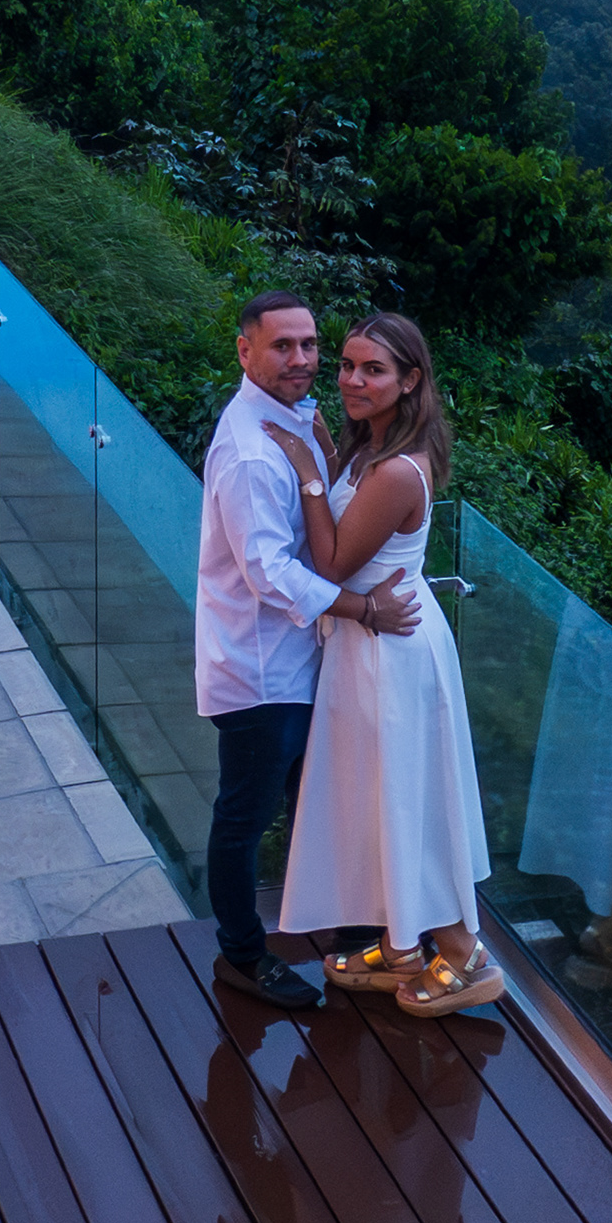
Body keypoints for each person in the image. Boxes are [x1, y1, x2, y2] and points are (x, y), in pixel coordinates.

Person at [266, 313, 505, 1016]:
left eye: (373, 370)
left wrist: (310, 476)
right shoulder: (372, 449)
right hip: (371, 644)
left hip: (390, 655)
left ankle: (466, 958)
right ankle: (401, 945)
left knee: (406, 797)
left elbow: (333, 560)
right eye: (346, 365)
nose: (351, 380)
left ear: (411, 381)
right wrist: (325, 454)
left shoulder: (399, 469)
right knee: (376, 795)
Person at [197, 290, 421, 1008]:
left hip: (302, 659)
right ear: (245, 351)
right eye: (283, 346)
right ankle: (242, 954)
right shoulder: (251, 455)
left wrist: (321, 455)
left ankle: (348, 934)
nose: (303, 360)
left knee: (315, 801)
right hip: (262, 671)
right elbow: (270, 574)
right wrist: (364, 608)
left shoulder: (298, 423)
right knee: (245, 816)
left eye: (310, 346)